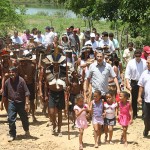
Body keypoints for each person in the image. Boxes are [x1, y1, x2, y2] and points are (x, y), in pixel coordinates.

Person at [2, 67, 30, 142]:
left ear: (16, 72)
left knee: (24, 118)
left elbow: (27, 93)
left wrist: (27, 104)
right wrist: (2, 104)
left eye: (13, 72)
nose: (11, 74)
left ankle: (26, 130)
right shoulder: (7, 82)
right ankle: (12, 134)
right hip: (12, 103)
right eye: (10, 72)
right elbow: (4, 94)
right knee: (10, 119)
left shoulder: (21, 80)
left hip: (21, 103)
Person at [125, 49, 147, 119]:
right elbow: (127, 74)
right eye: (136, 56)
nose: (138, 57)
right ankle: (134, 114)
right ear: (134, 55)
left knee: (144, 98)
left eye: (139, 56)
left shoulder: (144, 62)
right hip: (134, 82)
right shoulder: (130, 63)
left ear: (141, 55)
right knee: (134, 99)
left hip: (143, 83)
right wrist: (128, 84)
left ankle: (144, 114)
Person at [18, 58, 36, 122]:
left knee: (32, 101)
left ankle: (33, 115)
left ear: (26, 61)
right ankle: (25, 114)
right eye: (21, 61)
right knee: (23, 101)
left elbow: (34, 73)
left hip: (30, 84)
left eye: (23, 61)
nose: (22, 63)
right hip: (22, 86)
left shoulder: (31, 66)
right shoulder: (18, 67)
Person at [138, 56, 150, 137]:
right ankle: (147, 128)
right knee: (145, 117)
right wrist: (139, 97)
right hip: (147, 100)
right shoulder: (144, 73)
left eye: (149, 63)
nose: (147, 64)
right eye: (147, 62)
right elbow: (141, 86)